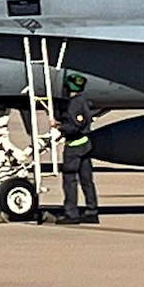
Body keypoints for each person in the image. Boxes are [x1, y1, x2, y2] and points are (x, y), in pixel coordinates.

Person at [56, 72, 99, 224]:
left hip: (74, 146)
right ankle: (92, 210)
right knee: (87, 180)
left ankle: (71, 213)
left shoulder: (74, 104)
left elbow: (74, 126)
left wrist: (59, 127)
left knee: (70, 179)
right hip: (86, 145)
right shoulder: (83, 101)